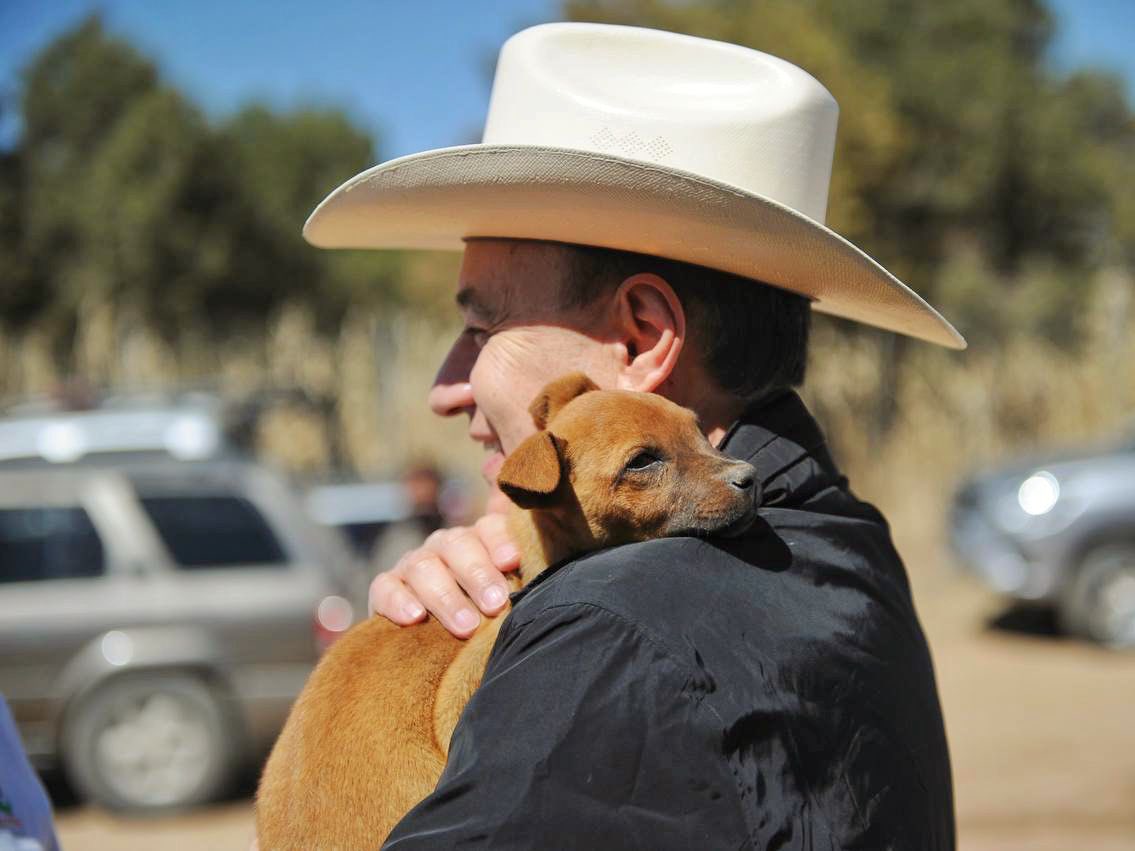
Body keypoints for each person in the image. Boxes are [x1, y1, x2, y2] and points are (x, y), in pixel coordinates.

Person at [305, 22, 961, 849]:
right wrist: (418, 667)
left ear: (642, 337)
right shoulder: (844, 541)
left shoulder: (610, 635)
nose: (444, 388)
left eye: (481, 324)